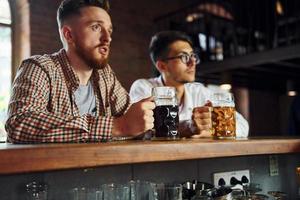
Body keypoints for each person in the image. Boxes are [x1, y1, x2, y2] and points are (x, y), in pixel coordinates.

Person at [5, 0, 155, 143]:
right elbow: (19, 123)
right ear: (68, 35)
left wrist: (149, 126)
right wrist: (117, 127)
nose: (107, 38)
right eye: (96, 27)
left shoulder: (105, 76)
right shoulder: (39, 67)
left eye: (109, 30)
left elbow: (131, 121)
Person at [129, 31, 249, 138]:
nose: (193, 63)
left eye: (193, 56)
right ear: (162, 66)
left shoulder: (198, 91)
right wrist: (188, 127)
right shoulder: (144, 88)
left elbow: (243, 126)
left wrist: (211, 130)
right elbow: (140, 131)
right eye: (184, 57)